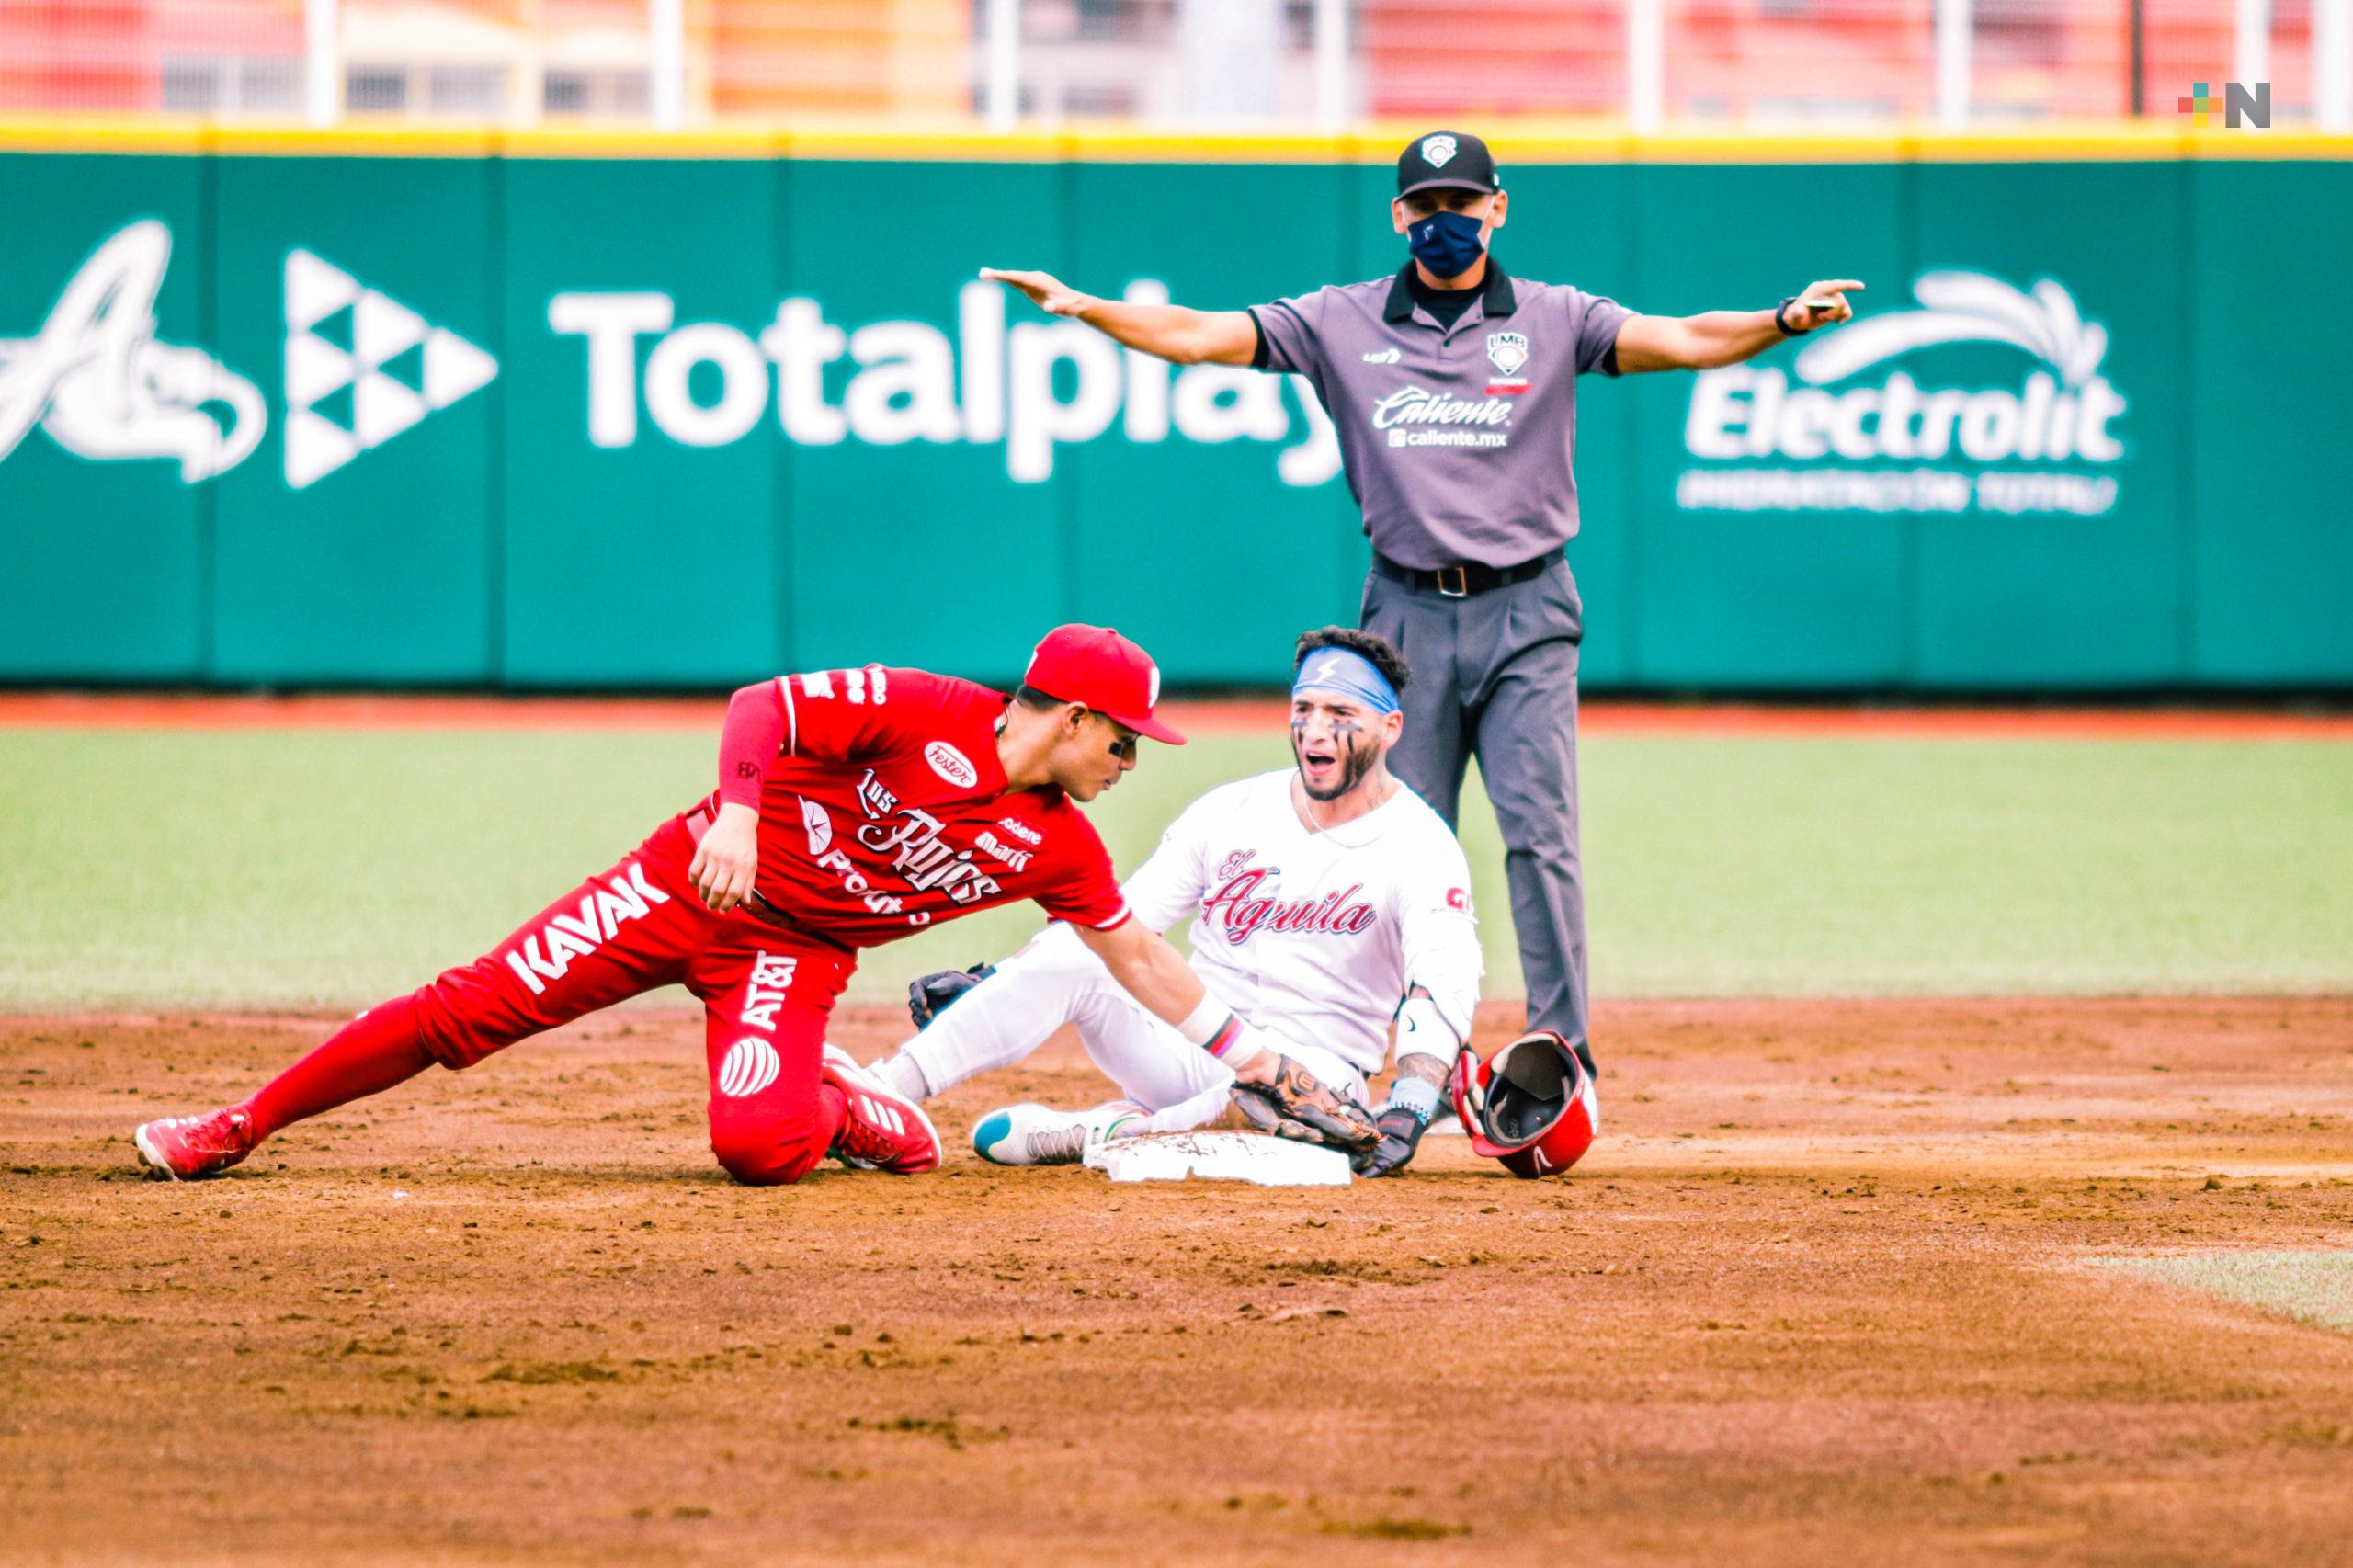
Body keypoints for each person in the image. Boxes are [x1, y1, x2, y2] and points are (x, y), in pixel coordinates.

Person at [982, 129, 1861, 1088]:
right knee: (1394, 838)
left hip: (1528, 608)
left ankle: (1560, 1052)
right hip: (1401, 618)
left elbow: (1684, 338)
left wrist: (1781, 320)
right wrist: (1085, 308)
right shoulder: (1340, 321)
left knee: (1540, 834)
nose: (1444, 220)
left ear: (1498, 207)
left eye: (1462, 202)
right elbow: (1199, 334)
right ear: (1398, 215)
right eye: (1425, 205)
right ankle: (1399, 1055)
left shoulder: (1557, 316)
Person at [131, 625, 1376, 1185]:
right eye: (1127, 738)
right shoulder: (926, 707)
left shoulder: (1062, 845)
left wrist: (1257, 1060)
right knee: (473, 1010)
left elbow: (1140, 959)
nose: (1132, 761)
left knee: (760, 1148)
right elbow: (760, 708)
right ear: (1070, 716)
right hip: (683, 881)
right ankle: (238, 1124)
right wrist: (735, 808)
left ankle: (844, 1104)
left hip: (794, 951)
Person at [862, 626, 1482, 1178]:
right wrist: (997, 980)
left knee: (1300, 1113)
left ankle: (1101, 1134)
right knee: (1081, 952)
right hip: (1191, 1043)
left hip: (1312, 1078)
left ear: (1390, 726)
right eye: (1305, 708)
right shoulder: (1231, 810)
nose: (1316, 729)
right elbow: (1117, 927)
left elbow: (1441, 985)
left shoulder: (1422, 845)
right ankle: (882, 1093)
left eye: (1341, 711)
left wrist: (1409, 1106)